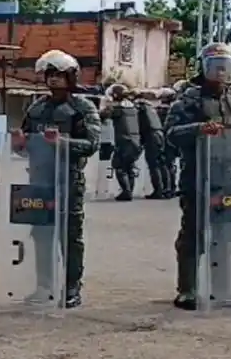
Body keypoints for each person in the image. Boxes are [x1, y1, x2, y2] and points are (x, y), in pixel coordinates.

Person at [165, 42, 231, 310]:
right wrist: (199, 128)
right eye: (216, 67)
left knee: (226, 233)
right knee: (193, 232)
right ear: (204, 68)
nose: (221, 72)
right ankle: (187, 289)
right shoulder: (189, 97)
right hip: (198, 173)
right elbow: (171, 133)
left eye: (226, 67)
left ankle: (222, 288)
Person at [11, 49, 101, 308]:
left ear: (71, 77)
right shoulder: (37, 106)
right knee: (40, 235)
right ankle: (44, 285)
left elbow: (91, 144)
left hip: (68, 180)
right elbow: (25, 142)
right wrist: (18, 142)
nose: (53, 80)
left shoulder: (83, 107)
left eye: (59, 75)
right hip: (40, 180)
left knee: (69, 236)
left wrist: (62, 142)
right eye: (49, 74)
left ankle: (71, 287)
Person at [99, 83, 142, 201]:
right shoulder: (133, 107)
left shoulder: (117, 108)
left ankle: (126, 191)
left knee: (119, 166)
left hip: (124, 141)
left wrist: (106, 104)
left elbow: (103, 116)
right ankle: (129, 191)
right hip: (135, 141)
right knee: (129, 167)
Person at [135, 88, 169, 198]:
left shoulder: (140, 107)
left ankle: (158, 190)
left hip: (151, 136)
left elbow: (140, 126)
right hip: (159, 134)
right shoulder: (151, 107)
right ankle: (167, 189)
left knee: (153, 165)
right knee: (162, 163)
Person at [157, 87, 179, 197]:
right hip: (173, 139)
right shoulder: (176, 108)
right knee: (171, 164)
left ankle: (167, 188)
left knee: (165, 163)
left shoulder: (161, 110)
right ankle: (173, 187)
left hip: (164, 138)